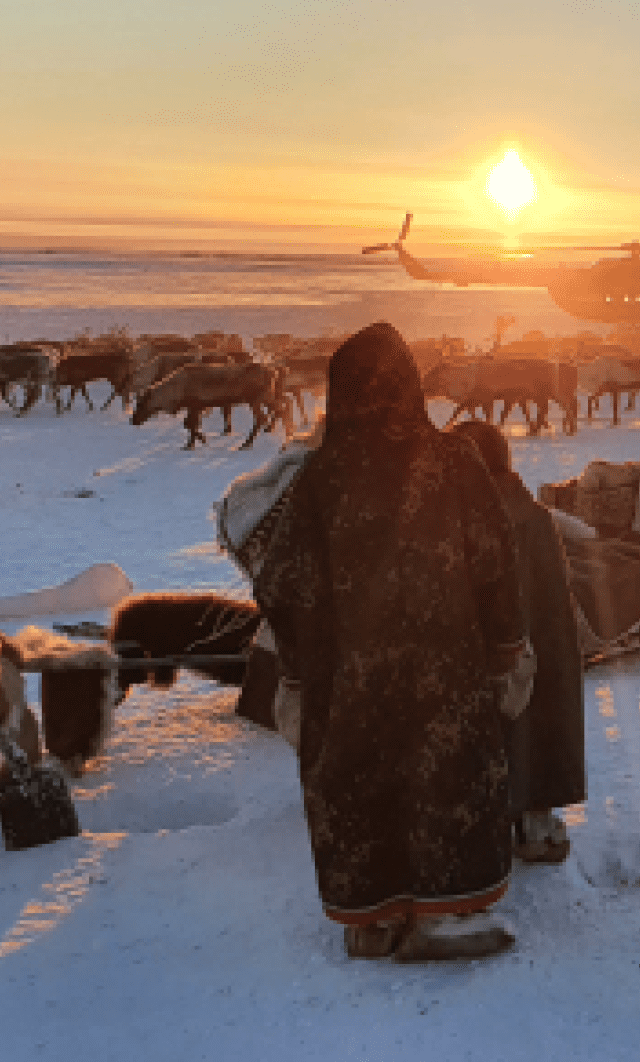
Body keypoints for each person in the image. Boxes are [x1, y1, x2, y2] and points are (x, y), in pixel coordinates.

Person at [254, 323, 533, 963]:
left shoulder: (320, 478)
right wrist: (506, 648)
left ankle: (370, 921)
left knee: (356, 786)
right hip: (449, 672)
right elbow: (497, 562)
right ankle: (441, 917)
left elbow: (281, 582)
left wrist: (300, 667)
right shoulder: (456, 462)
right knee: (446, 781)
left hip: (347, 679)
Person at [449, 421, 586, 864]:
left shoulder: (453, 522)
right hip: (539, 644)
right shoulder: (536, 517)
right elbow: (555, 593)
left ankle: (480, 831)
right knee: (537, 730)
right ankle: (536, 826)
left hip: (480, 649)